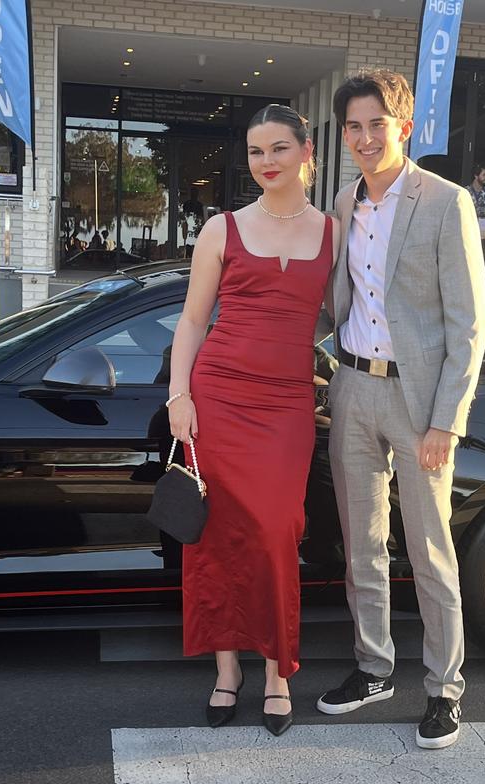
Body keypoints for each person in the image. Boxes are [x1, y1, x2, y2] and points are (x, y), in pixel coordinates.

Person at [316, 68, 485, 750]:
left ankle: (444, 690)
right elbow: (338, 298)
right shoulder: (341, 201)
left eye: (375, 125)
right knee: (361, 545)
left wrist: (446, 420)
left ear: (404, 127)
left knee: (429, 550)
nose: (363, 138)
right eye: (353, 127)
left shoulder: (444, 203)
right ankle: (372, 668)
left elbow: (469, 323)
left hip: (419, 402)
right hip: (353, 387)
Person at [168, 104, 340, 737]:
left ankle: (277, 671)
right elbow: (191, 320)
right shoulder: (222, 229)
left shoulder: (333, 230)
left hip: (287, 404)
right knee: (217, 537)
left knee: (275, 534)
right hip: (219, 396)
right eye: (255, 152)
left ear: (305, 152)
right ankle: (226, 670)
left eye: (278, 149)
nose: (266, 162)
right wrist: (178, 398)